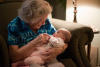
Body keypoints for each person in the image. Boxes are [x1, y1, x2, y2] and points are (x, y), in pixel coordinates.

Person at [7, 0, 71, 67]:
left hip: (47, 60)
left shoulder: (46, 22)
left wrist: (58, 51)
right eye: (41, 20)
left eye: (45, 19)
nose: (44, 23)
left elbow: (63, 42)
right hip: (29, 61)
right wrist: (34, 43)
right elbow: (14, 57)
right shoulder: (15, 26)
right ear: (30, 18)